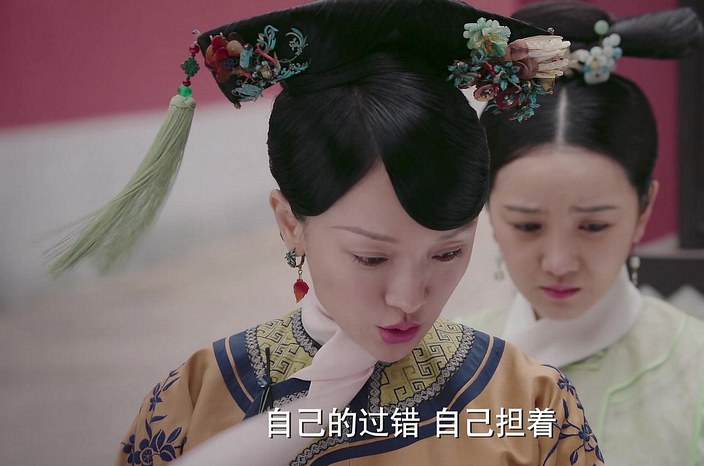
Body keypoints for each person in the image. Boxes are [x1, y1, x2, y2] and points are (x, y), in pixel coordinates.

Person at [72, 0, 609, 464]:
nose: (408, 299)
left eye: (448, 253)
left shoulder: (530, 404)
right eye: (371, 258)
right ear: (291, 224)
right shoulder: (196, 397)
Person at [469, 1, 704, 465]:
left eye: (594, 225)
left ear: (644, 209)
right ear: (488, 206)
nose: (559, 261)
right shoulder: (438, 370)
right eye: (528, 225)